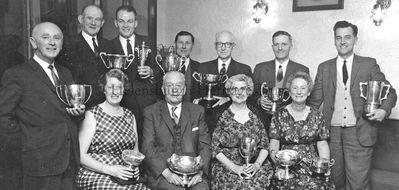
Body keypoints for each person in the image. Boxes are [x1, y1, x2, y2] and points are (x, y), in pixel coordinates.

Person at [309, 20, 397, 190]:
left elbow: (390, 93)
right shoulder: (324, 67)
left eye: (347, 37)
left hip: (360, 133)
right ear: (334, 40)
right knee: (332, 182)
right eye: (338, 37)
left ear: (355, 39)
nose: (343, 41)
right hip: (330, 135)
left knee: (357, 184)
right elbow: (314, 102)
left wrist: (383, 110)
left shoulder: (368, 64)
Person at [0, 22, 85, 190]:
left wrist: (78, 113)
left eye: (57, 38)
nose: (52, 42)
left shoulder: (66, 73)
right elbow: (3, 116)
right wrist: (26, 143)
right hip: (38, 162)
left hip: (68, 159)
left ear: (62, 43)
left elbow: (66, 113)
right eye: (45, 37)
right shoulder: (17, 74)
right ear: (33, 42)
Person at [76, 69, 149, 190]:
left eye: (119, 87)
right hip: (96, 173)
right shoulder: (93, 114)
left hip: (122, 175)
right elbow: (80, 155)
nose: (115, 92)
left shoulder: (130, 115)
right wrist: (109, 169)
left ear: (124, 89)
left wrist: (134, 169)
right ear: (104, 89)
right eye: (110, 87)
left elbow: (135, 154)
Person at [141, 71, 211, 190]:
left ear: (184, 90)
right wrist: (167, 174)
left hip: (194, 173)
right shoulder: (150, 112)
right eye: (169, 85)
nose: (174, 90)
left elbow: (205, 146)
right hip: (162, 173)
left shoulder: (197, 111)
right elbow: (147, 148)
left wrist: (199, 173)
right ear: (163, 89)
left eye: (178, 86)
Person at [269, 71, 334, 189]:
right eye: (295, 88)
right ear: (289, 92)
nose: (299, 92)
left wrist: (325, 166)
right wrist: (279, 166)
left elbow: (322, 145)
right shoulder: (279, 114)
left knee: (319, 185)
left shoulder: (317, 115)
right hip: (286, 163)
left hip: (311, 165)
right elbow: (274, 144)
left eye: (303, 88)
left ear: (309, 92)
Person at [211, 74, 273, 189]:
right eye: (235, 89)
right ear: (229, 92)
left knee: (256, 183)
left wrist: (256, 165)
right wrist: (235, 168)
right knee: (239, 184)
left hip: (254, 164)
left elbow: (265, 146)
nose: (239, 93)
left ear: (248, 91)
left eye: (243, 89)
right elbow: (215, 149)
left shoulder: (257, 114)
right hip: (227, 165)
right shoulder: (220, 114)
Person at [110, 5, 159, 145]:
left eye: (130, 21)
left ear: (136, 23)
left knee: (146, 142)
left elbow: (159, 70)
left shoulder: (149, 42)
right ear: (115, 23)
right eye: (121, 21)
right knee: (121, 141)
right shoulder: (107, 45)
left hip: (145, 102)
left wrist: (151, 72)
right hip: (120, 102)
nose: (126, 25)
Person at [58, 4, 113, 108]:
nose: (93, 23)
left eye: (97, 19)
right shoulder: (67, 45)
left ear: (102, 23)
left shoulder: (109, 45)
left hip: (107, 106)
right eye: (89, 18)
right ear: (80, 19)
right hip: (81, 107)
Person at [198, 31, 252, 134]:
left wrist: (227, 99)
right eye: (219, 44)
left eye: (227, 44)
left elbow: (249, 95)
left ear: (233, 46)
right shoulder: (203, 67)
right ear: (215, 46)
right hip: (208, 120)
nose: (223, 48)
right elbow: (198, 93)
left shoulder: (244, 69)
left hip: (234, 121)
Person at [251, 30, 309, 114]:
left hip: (291, 119)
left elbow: (306, 98)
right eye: (276, 44)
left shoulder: (302, 70)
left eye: (284, 44)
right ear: (272, 47)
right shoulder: (260, 68)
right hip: (264, 119)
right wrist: (259, 100)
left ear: (290, 46)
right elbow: (250, 93)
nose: (280, 48)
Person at [174, 31, 201, 102]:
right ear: (175, 44)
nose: (183, 46)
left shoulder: (200, 67)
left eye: (187, 43)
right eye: (180, 42)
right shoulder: (165, 66)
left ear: (192, 45)